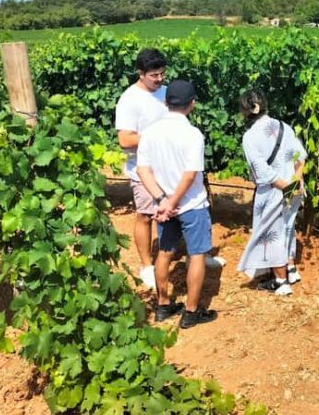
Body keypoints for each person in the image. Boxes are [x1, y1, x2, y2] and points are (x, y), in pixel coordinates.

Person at [115, 48, 223, 290]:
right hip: (144, 172)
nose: (160, 79)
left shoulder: (165, 93)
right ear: (140, 73)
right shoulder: (129, 100)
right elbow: (125, 140)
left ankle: (198, 255)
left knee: (184, 211)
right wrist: (156, 137)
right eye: (154, 75)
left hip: (170, 167)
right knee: (146, 216)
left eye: (163, 73)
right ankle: (146, 266)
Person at [137, 80, 218, 329]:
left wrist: (161, 200)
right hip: (191, 205)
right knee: (196, 255)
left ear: (165, 102)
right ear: (191, 104)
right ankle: (191, 313)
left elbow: (143, 170)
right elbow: (190, 174)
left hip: (164, 207)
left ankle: (163, 306)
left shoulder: (150, 133)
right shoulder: (193, 135)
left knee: (164, 252)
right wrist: (173, 201)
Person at [237, 90, 306, 296]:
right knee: (287, 226)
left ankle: (280, 281)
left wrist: (284, 186)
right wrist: (295, 182)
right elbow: (300, 156)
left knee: (271, 232)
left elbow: (262, 171)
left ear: (245, 111)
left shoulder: (250, 137)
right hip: (293, 185)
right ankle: (291, 268)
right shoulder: (285, 126)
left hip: (274, 190)